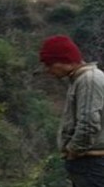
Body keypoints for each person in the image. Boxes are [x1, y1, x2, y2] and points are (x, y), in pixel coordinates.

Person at [39, 34, 104, 186]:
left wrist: (73, 151)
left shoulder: (88, 80)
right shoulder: (82, 79)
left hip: (91, 163)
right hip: (89, 162)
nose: (49, 70)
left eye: (50, 64)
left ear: (65, 61)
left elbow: (88, 123)